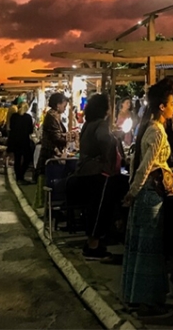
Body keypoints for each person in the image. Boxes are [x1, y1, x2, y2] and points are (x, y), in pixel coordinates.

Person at [122, 78, 173, 317]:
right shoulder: (156, 131)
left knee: (140, 250)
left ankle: (137, 298)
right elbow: (145, 167)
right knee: (150, 253)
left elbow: (141, 163)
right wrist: (132, 193)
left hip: (144, 195)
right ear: (162, 107)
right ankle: (148, 304)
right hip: (149, 197)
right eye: (172, 103)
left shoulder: (148, 127)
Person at [68, 94, 128, 260]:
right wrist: (114, 139)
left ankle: (94, 242)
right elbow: (105, 140)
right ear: (104, 109)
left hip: (84, 172)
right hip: (97, 173)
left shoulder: (88, 124)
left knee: (93, 208)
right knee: (99, 209)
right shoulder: (101, 124)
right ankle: (93, 246)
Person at [37, 93, 69, 177]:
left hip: (51, 152)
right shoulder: (52, 117)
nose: (65, 109)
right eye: (64, 106)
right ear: (58, 104)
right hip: (50, 153)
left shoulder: (54, 116)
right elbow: (56, 137)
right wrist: (69, 138)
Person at [7, 102, 35, 183]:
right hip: (24, 141)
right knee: (28, 158)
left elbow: (11, 127)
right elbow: (30, 130)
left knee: (17, 159)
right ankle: (21, 175)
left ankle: (18, 176)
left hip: (15, 141)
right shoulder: (28, 117)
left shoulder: (14, 117)